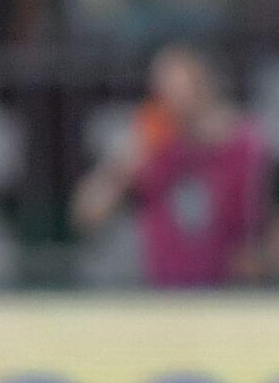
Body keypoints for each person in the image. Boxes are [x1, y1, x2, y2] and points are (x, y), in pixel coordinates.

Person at [71, 44, 268, 287]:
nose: (174, 100)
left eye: (184, 89)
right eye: (164, 91)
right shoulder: (150, 141)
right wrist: (123, 165)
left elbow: (263, 229)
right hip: (161, 292)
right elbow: (86, 214)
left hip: (226, 290)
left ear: (204, 87)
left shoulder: (243, 143)